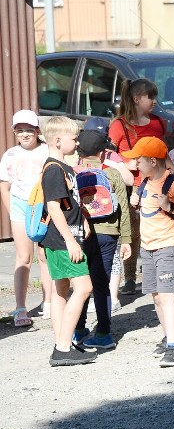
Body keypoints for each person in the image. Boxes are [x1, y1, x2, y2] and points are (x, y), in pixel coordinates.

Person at [124, 137, 174, 367]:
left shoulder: (173, 183)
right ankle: (170, 338)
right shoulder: (145, 182)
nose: (135, 163)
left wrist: (171, 206)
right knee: (156, 296)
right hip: (148, 247)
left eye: (139, 159)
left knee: (166, 296)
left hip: (169, 245)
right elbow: (147, 212)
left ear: (154, 161)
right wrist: (135, 202)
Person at [40, 117, 96, 366]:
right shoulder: (53, 169)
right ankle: (62, 348)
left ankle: (62, 342)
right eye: (74, 138)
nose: (77, 141)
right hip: (63, 240)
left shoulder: (64, 168)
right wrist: (71, 240)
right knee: (84, 287)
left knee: (61, 290)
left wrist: (82, 218)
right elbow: (53, 207)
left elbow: (67, 203)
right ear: (57, 140)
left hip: (64, 237)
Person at [108, 79, 167, 297]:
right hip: (130, 186)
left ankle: (159, 272)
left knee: (156, 229)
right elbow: (107, 154)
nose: (154, 101)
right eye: (150, 97)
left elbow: (163, 151)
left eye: (154, 96)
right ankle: (130, 277)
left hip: (155, 184)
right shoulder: (119, 125)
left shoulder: (158, 122)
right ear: (136, 99)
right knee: (131, 232)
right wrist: (125, 162)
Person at [74, 127, 132, 350]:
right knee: (101, 283)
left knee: (81, 282)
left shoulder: (73, 172)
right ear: (102, 153)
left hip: (81, 234)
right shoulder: (113, 174)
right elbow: (124, 209)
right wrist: (126, 238)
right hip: (108, 233)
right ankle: (104, 333)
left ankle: (78, 329)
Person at [0, 109, 50, 326]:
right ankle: (20, 308)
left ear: (37, 130)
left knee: (45, 255)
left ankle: (48, 301)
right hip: (20, 207)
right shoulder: (10, 155)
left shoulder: (47, 151)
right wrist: (13, 213)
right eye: (20, 130)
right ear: (14, 132)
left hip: (44, 205)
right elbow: (4, 186)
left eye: (29, 130)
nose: (25, 134)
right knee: (23, 257)